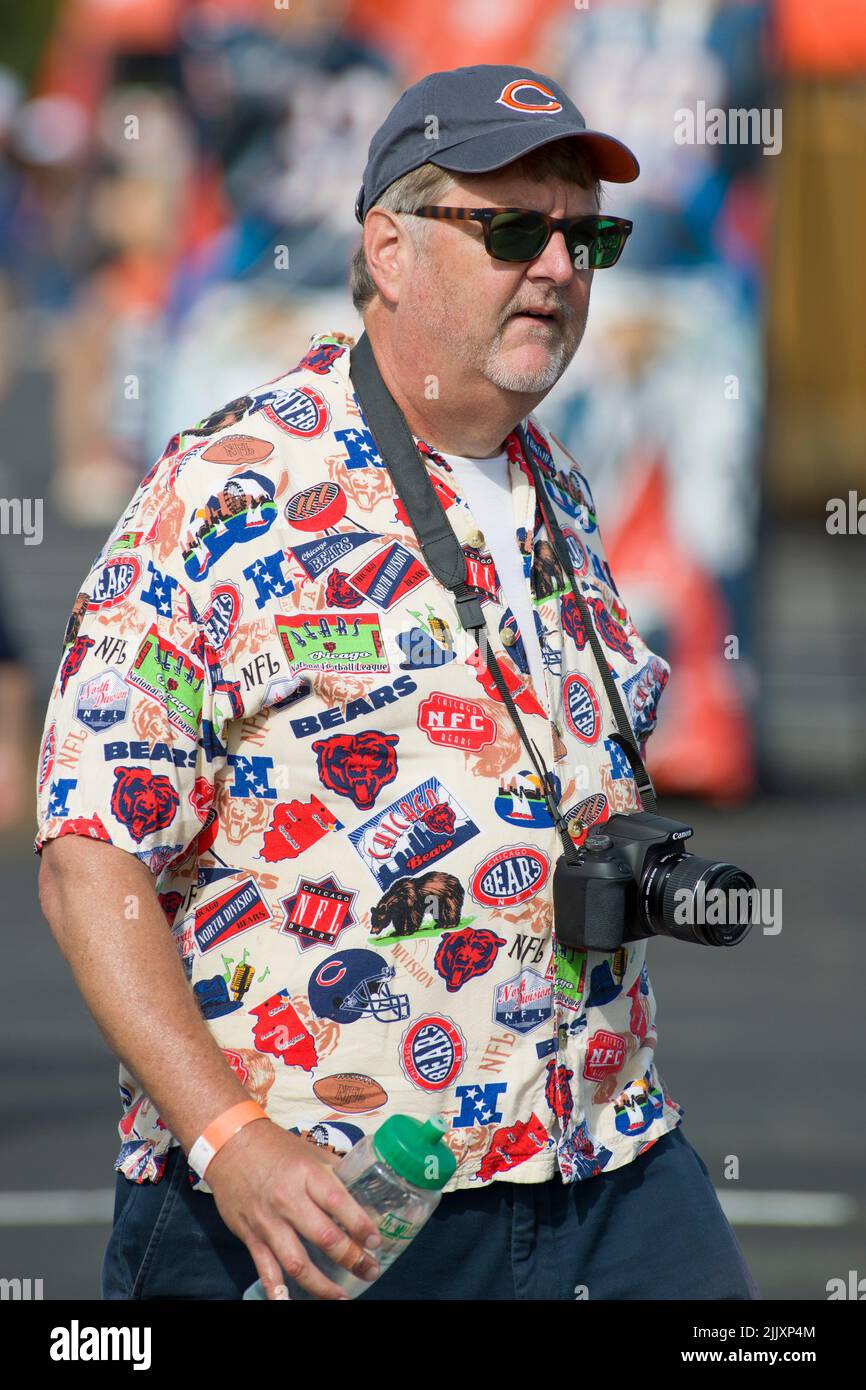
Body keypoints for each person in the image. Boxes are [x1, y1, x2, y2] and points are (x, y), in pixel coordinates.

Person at [36, 64, 758, 1302]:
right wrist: (231, 1140)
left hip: (602, 1160)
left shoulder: (559, 487)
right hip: (320, 1214)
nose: (556, 268)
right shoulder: (229, 487)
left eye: (584, 235)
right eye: (512, 230)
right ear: (387, 243)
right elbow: (87, 856)